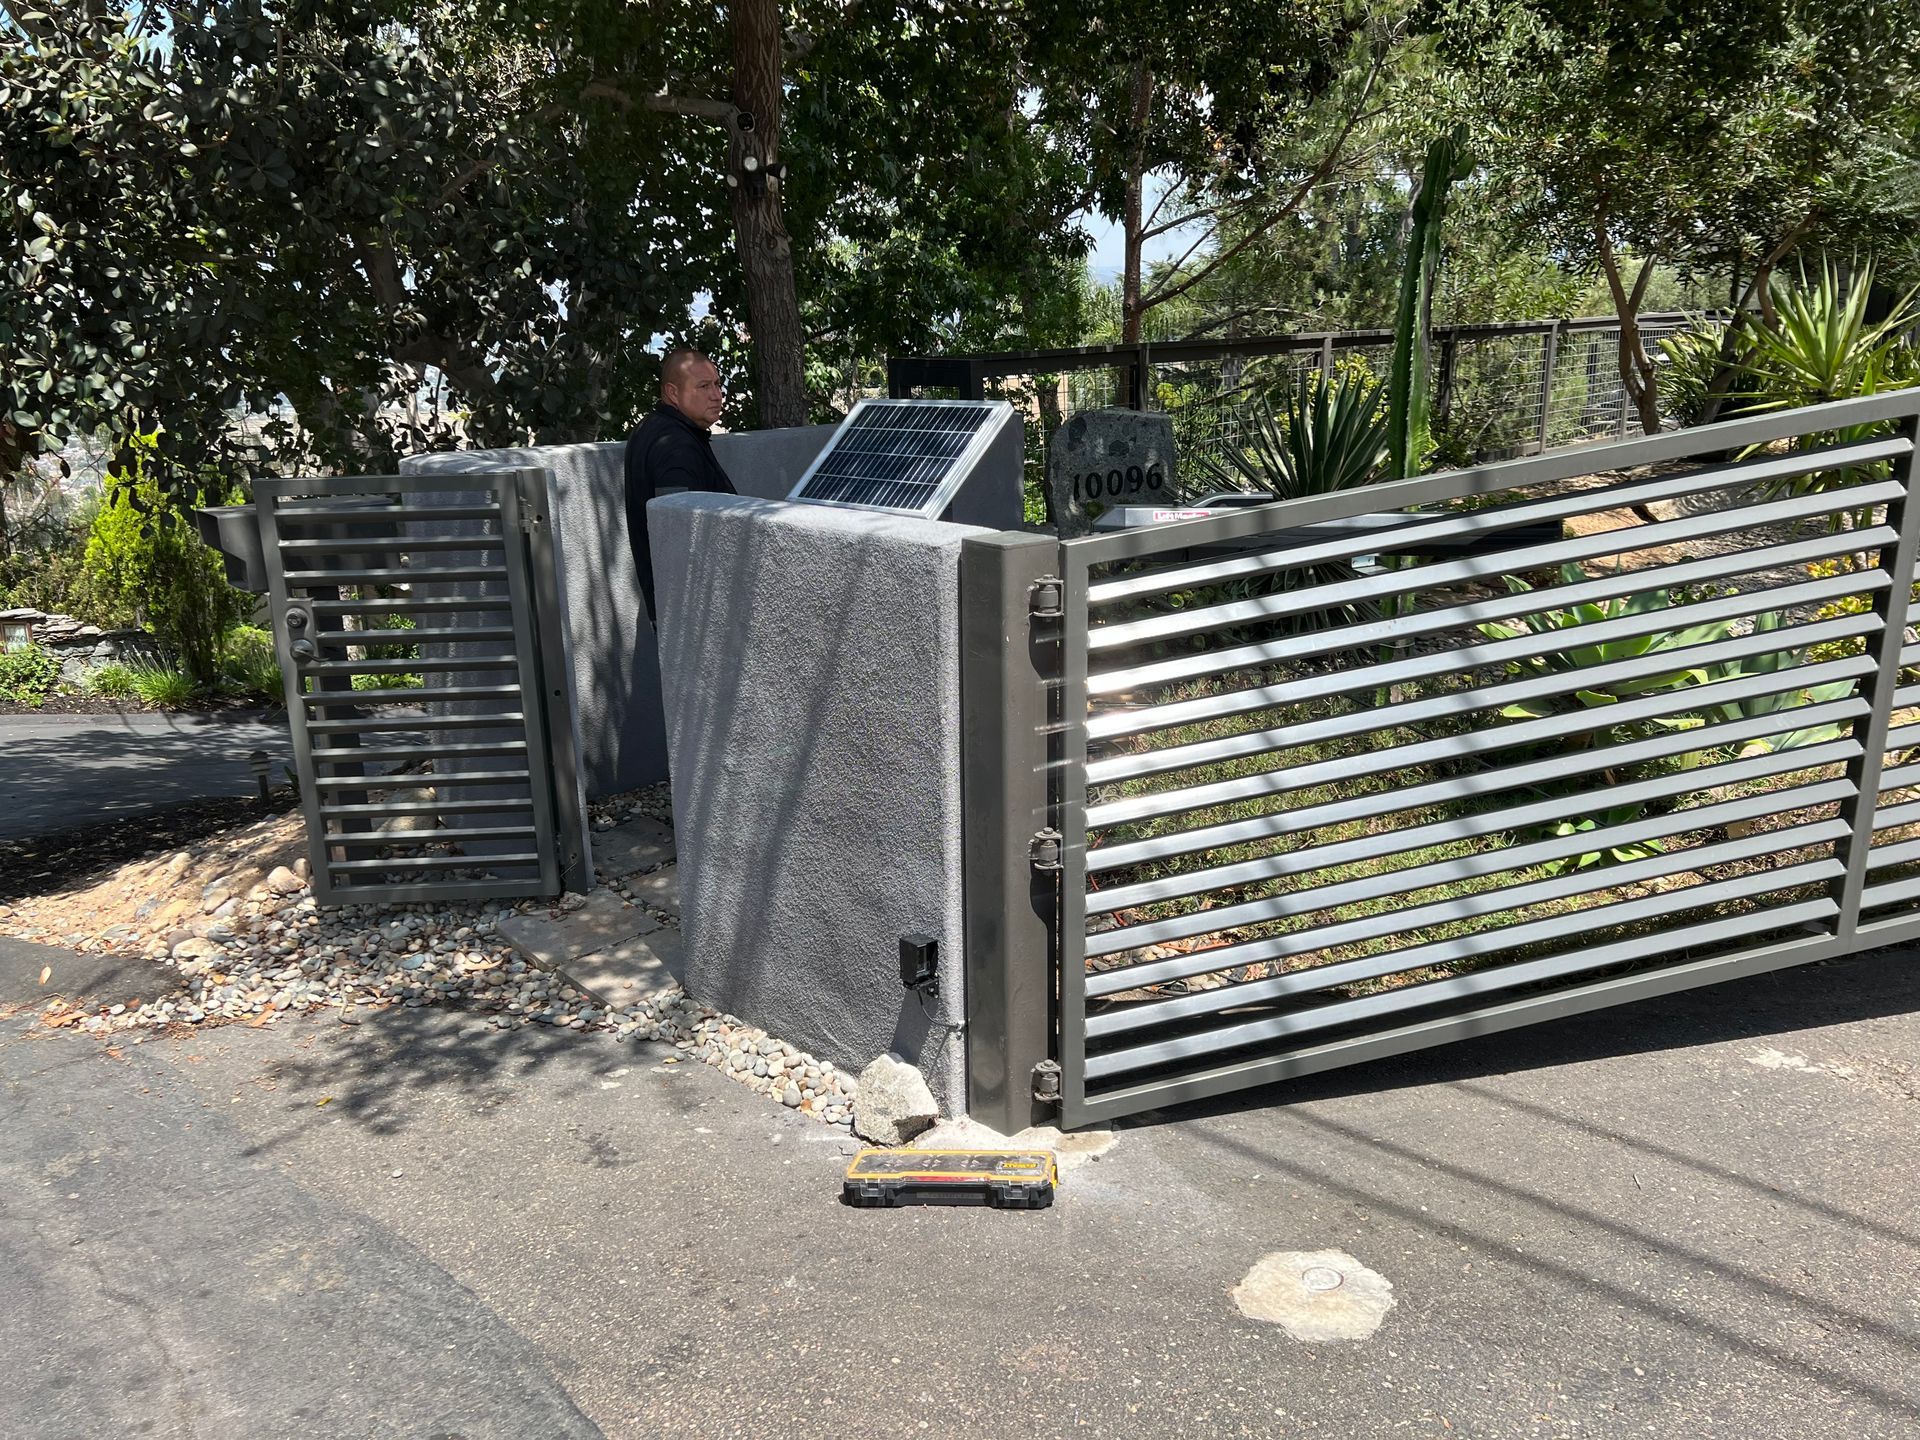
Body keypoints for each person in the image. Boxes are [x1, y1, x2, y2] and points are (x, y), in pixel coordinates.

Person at [624, 348, 737, 626]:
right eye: (703, 386)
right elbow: (677, 532)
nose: (716, 395)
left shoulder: (653, 428)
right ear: (673, 393)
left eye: (717, 384)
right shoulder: (675, 447)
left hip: (675, 607)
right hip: (690, 614)